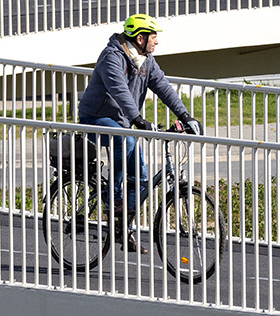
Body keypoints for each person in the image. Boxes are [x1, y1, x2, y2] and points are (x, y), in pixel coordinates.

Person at [76, 13, 201, 244]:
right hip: (95, 118)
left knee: (141, 177)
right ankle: (113, 202)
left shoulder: (146, 61)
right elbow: (119, 90)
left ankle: (124, 228)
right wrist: (137, 118)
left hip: (123, 122)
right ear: (140, 38)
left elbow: (163, 87)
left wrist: (184, 115)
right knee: (126, 143)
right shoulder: (111, 57)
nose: (157, 41)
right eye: (153, 36)